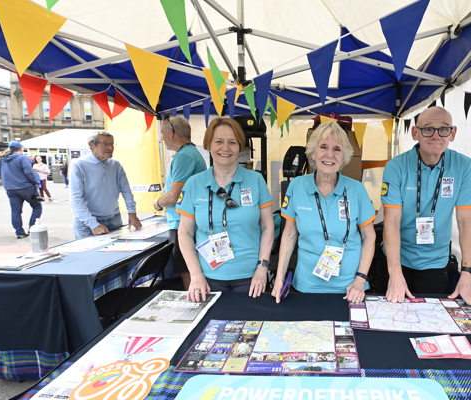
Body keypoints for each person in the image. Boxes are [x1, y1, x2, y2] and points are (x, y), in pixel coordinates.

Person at [381, 106, 471, 305]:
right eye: (428, 129)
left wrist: (469, 272)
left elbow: (467, 220)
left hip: (435, 261)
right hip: (396, 258)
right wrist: (395, 273)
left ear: (452, 133)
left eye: (443, 129)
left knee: (426, 319)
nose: (436, 135)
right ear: (415, 132)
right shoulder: (396, 166)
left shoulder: (464, 166)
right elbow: (391, 221)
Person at [271, 121, 376, 303]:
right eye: (323, 147)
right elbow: (289, 234)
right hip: (306, 286)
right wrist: (279, 278)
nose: (330, 155)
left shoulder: (357, 190)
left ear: (344, 157)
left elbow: (369, 237)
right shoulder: (297, 186)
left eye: (337, 149)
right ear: (312, 152)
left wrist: (360, 279)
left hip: (351, 289)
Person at [177, 117, 274, 300]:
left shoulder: (256, 180)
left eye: (232, 142)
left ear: (240, 146)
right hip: (208, 278)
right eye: (219, 141)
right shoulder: (194, 184)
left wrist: (262, 268)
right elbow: (184, 233)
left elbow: (268, 227)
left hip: (251, 278)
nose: (225, 148)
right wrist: (196, 275)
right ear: (208, 145)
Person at [152, 116, 206, 289]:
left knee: (187, 270)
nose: (162, 137)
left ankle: (195, 304)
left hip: (183, 222)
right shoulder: (189, 153)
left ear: (171, 133)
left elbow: (174, 196)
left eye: (162, 133)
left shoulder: (185, 156)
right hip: (186, 220)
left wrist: (158, 202)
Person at [70, 131, 142, 239]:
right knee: (89, 255)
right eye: (105, 144)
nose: (110, 148)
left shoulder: (115, 165)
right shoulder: (79, 165)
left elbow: (126, 191)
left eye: (112, 144)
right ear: (91, 145)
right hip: (87, 223)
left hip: (114, 219)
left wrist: (132, 213)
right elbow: (75, 199)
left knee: (119, 254)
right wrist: (93, 224)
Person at [0, 141, 42, 238]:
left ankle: (19, 232)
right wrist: (35, 182)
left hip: (11, 189)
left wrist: (10, 181)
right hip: (26, 188)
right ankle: (32, 228)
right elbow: (29, 172)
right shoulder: (23, 158)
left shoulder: (2, 159)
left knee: (15, 211)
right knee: (37, 206)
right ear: (21, 149)